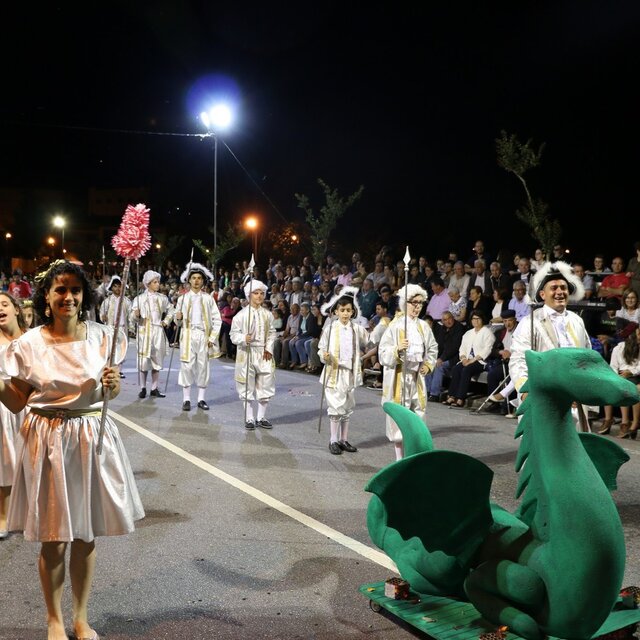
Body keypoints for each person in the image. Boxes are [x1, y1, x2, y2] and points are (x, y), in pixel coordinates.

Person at [0, 260, 144, 640]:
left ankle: (81, 618)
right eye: (60, 289)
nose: (68, 297)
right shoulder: (28, 344)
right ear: (46, 296)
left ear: (84, 295)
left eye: (75, 290)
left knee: (85, 533)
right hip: (47, 441)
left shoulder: (103, 337)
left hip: (90, 438)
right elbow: (16, 402)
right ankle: (54, 621)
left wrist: (113, 385)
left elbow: (111, 392)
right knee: (54, 537)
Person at [509, 261, 591, 430]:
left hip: (574, 401)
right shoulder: (530, 322)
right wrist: (526, 392)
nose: (560, 292)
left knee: (576, 444)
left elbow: (587, 359)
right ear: (542, 294)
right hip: (542, 400)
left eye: (563, 288)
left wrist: (582, 390)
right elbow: (518, 361)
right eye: (554, 288)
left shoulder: (577, 321)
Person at [378, 284, 438, 460]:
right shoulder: (396, 326)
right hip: (399, 376)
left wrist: (428, 364)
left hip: (417, 376)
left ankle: (415, 455)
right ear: (405, 303)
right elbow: (383, 352)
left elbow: (432, 347)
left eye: (420, 303)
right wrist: (397, 349)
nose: (417, 307)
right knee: (399, 415)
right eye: (414, 302)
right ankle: (399, 458)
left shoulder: (423, 326)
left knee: (418, 413)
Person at [318, 287, 369, 455]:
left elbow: (369, 339)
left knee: (347, 407)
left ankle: (343, 439)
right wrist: (324, 356)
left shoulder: (357, 329)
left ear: (353, 311)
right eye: (342, 310)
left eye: (348, 310)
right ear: (336, 312)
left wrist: (382, 327)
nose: (345, 313)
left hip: (350, 373)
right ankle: (333, 439)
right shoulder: (331, 329)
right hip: (335, 372)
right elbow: (321, 348)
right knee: (335, 406)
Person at [174, 263, 222, 411]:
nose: (196, 281)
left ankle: (201, 399)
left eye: (199, 278)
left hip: (202, 335)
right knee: (186, 366)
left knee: (203, 366)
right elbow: (177, 321)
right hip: (188, 334)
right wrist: (178, 318)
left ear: (203, 281)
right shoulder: (182, 299)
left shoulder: (208, 299)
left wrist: (212, 338)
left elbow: (217, 319)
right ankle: (186, 399)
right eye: (193, 278)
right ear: (189, 280)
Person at [230, 279, 277, 430]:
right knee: (246, 385)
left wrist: (269, 348)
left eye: (261, 293)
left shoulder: (268, 315)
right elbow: (233, 335)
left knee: (266, 383)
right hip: (247, 352)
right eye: (255, 293)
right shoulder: (241, 315)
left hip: (263, 353)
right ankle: (249, 417)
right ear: (249, 295)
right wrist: (244, 338)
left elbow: (272, 333)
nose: (259, 296)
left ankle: (261, 417)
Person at [0, 292, 28, 539]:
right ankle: (4, 515)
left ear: (16, 309)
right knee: (5, 461)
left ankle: (32, 511)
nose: (0, 309)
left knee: (31, 458)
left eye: (4, 304)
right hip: (2, 406)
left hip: (29, 405)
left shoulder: (32, 339)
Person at [131, 269, 175, 399]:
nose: (157, 284)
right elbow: (132, 317)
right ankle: (143, 387)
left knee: (157, 360)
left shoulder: (162, 298)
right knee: (144, 361)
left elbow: (171, 310)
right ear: (148, 284)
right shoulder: (139, 299)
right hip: (144, 331)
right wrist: (136, 315)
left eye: (158, 282)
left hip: (157, 330)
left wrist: (166, 321)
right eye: (155, 282)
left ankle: (154, 388)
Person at [444, 310, 495, 407]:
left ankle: (460, 398)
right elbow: (462, 348)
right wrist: (463, 358)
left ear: (482, 319)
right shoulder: (468, 333)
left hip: (480, 361)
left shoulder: (488, 333)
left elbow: (487, 350)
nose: (475, 321)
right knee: (456, 369)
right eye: (473, 319)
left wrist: (472, 360)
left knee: (466, 370)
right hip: (467, 359)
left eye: (478, 318)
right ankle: (452, 395)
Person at [597, 325, 640, 438]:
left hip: (634, 375)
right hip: (621, 375)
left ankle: (625, 422)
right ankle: (608, 419)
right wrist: (615, 376)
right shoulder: (618, 348)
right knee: (608, 385)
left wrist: (630, 372)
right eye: (637, 334)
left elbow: (639, 367)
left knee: (625, 387)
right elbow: (613, 366)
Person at [425, 310, 465, 401]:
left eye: (449, 318)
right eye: (445, 320)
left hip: (454, 358)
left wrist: (441, 359)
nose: (448, 321)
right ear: (442, 321)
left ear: (453, 318)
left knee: (439, 366)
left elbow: (454, 348)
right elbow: (439, 345)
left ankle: (435, 394)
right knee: (429, 363)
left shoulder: (459, 328)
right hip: (443, 356)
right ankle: (427, 391)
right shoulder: (442, 329)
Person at [485, 309, 519, 414]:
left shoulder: (521, 330)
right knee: (492, 375)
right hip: (505, 362)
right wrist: (501, 352)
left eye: (510, 320)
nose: (507, 323)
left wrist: (511, 354)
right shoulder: (501, 332)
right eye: (505, 321)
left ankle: (507, 406)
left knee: (510, 379)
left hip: (517, 362)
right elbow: (492, 351)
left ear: (515, 320)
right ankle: (494, 403)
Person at [99, 275, 131, 378]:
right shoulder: (107, 301)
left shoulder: (127, 301)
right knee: (111, 348)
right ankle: (110, 368)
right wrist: (103, 317)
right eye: (115, 286)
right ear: (111, 288)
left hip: (123, 328)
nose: (117, 288)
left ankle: (119, 370)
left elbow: (131, 315)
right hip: (111, 328)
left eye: (119, 286)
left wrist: (132, 327)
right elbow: (102, 313)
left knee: (122, 349)